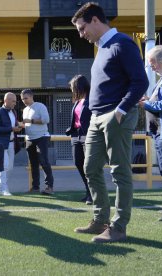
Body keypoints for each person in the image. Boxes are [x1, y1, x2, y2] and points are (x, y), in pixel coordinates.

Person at [72, 2, 149, 243]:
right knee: (90, 168)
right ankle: (100, 220)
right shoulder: (102, 48)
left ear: (95, 20)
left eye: (82, 29)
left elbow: (140, 82)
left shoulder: (123, 44)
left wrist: (121, 110)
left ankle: (118, 227)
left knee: (119, 171)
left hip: (116, 115)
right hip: (97, 117)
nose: (81, 35)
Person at [137, 45, 162, 222]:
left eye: (153, 62)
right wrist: (149, 101)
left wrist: (146, 104)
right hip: (160, 133)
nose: (151, 66)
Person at [21, 89, 54, 195]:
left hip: (42, 137)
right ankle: (35, 187)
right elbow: (27, 124)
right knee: (33, 164)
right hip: (30, 139)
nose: (24, 100)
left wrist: (30, 121)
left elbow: (46, 120)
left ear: (31, 97)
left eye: (26, 98)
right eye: (22, 99)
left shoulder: (40, 106)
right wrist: (20, 126)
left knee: (44, 162)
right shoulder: (25, 110)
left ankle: (49, 187)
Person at [66, 75, 92, 205]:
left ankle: (92, 194)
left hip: (88, 135)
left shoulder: (92, 99)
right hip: (76, 135)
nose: (71, 90)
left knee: (89, 166)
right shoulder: (77, 100)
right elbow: (76, 118)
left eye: (72, 87)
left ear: (79, 86)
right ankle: (88, 191)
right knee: (78, 163)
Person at [0, 92, 22, 196]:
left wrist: (18, 126)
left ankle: (3, 186)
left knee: (10, 167)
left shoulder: (14, 112)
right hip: (1, 144)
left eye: (15, 101)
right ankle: (3, 189)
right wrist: (11, 129)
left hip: (12, 144)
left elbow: (13, 125)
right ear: (6, 100)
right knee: (4, 166)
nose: (15, 103)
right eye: (13, 101)